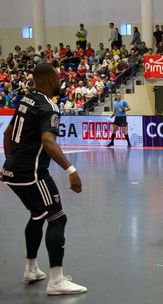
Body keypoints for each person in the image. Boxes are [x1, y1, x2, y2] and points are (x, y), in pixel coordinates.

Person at [1, 63, 87, 295]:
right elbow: (49, 142)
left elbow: (8, 133)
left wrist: (10, 163)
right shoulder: (48, 106)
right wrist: (72, 170)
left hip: (13, 171)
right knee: (58, 218)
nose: (60, 82)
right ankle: (57, 281)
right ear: (49, 80)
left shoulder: (26, 98)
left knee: (38, 215)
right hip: (32, 173)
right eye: (58, 78)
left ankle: (31, 269)